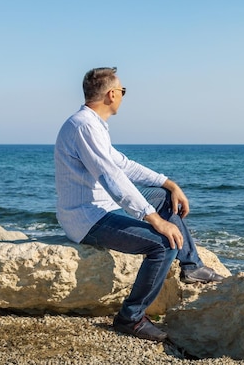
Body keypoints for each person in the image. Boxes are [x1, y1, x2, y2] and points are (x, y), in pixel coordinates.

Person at [54, 67, 223, 342]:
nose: (123, 95)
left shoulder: (93, 125)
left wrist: (169, 183)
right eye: (122, 90)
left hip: (103, 208)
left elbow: (123, 165)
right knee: (163, 243)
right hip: (87, 219)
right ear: (111, 94)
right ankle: (130, 318)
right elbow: (111, 178)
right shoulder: (84, 126)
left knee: (166, 198)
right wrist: (153, 218)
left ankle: (191, 267)